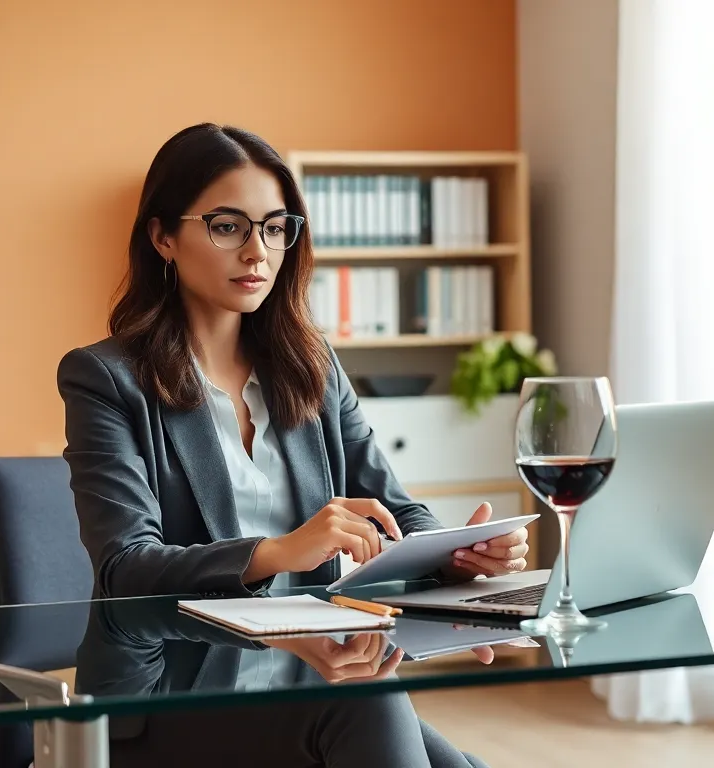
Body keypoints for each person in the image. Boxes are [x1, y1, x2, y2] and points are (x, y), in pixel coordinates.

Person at [57, 122, 529, 767]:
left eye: (276, 228)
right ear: (163, 236)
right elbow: (125, 571)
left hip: (316, 688)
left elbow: (393, 510)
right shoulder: (107, 379)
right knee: (372, 701)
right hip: (175, 705)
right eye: (228, 226)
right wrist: (279, 552)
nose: (258, 252)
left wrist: (459, 555)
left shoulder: (311, 367)